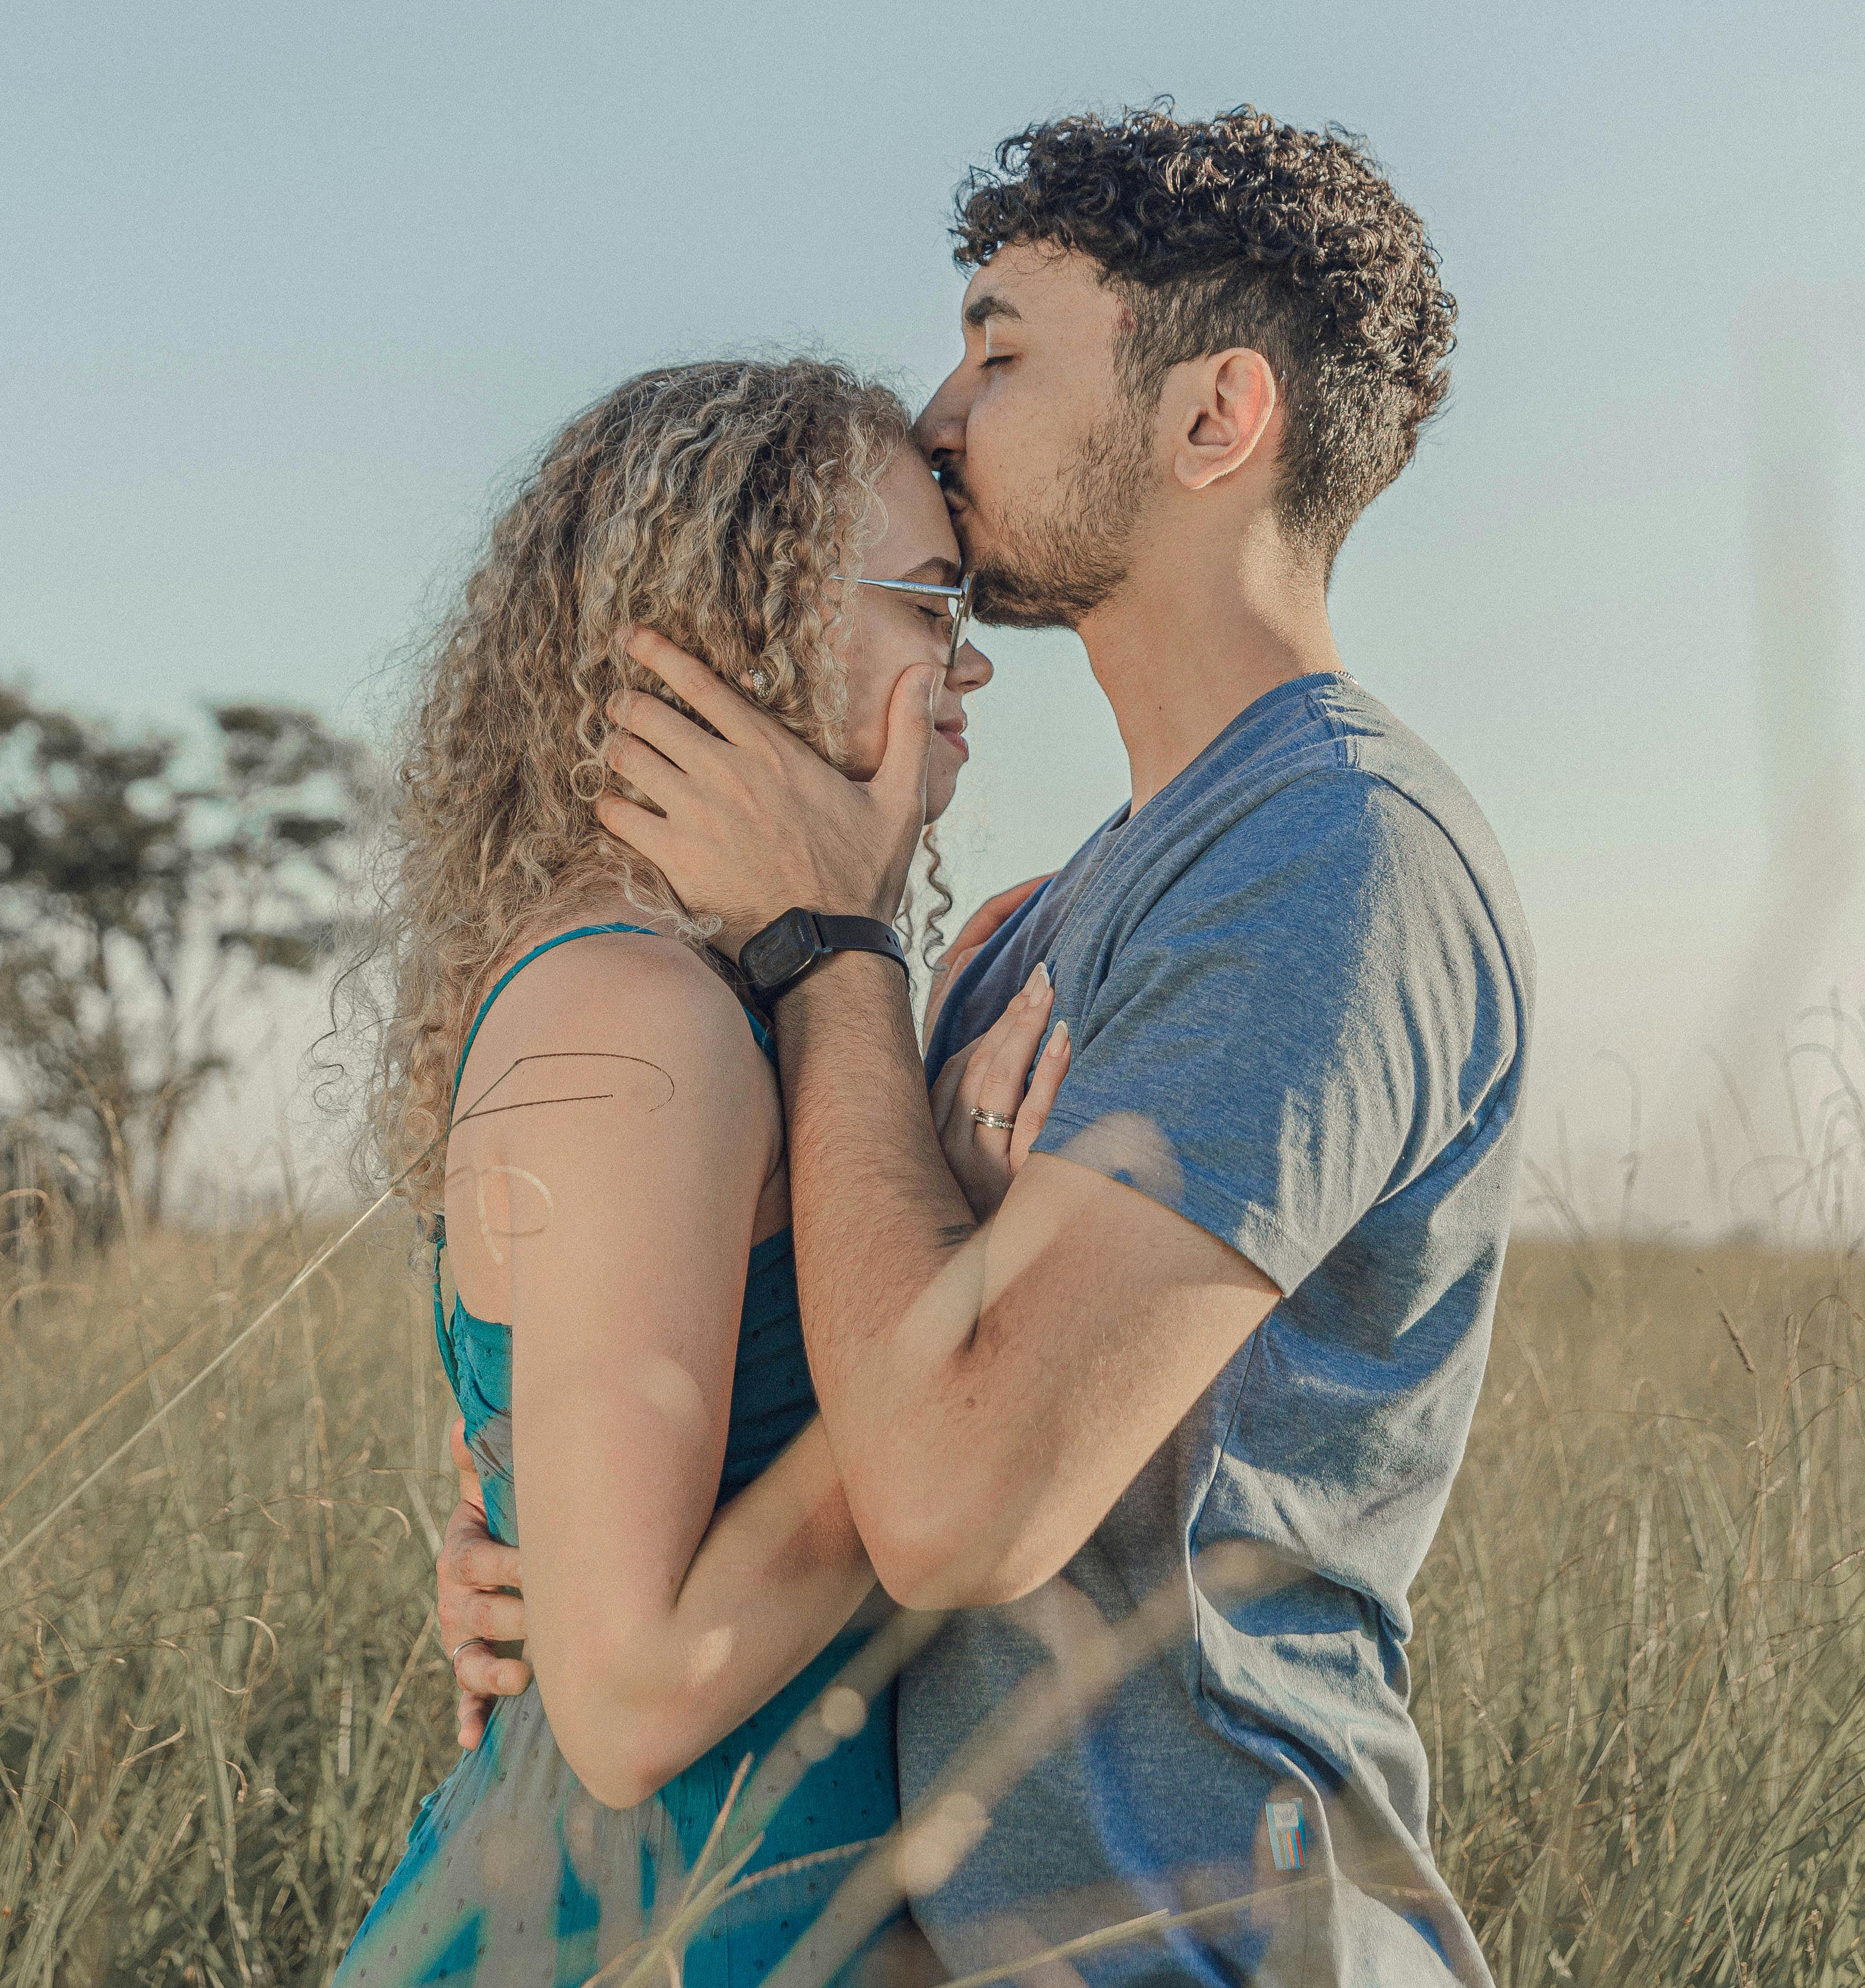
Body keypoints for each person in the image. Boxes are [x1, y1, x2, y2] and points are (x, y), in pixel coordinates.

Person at [440, 107, 1533, 1986]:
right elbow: (850, 1377)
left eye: (1003, 347)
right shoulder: (1045, 917)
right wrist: (549, 1559)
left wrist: (832, 949)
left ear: (1215, 419)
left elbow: (951, 1507)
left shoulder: (1331, 861)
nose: (940, 415)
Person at [338, 356, 1066, 1987]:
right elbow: (627, 1699)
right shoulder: (641, 1016)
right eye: (926, 601)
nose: (969, 666)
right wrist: (974, 1330)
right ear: (738, 623)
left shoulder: (720, 1004)